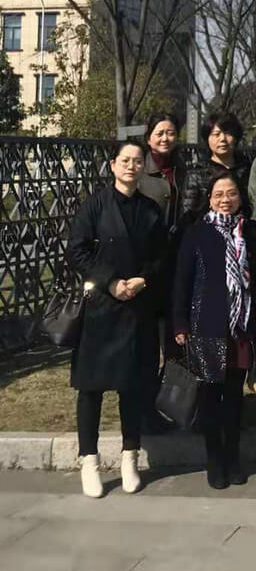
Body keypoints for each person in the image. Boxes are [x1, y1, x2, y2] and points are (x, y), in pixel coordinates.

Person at [66, 139, 168, 499]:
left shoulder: (150, 209)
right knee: (91, 388)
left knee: (132, 387)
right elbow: (76, 250)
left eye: (138, 161)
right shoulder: (94, 205)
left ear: (143, 167)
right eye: (125, 160)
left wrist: (143, 279)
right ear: (112, 165)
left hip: (137, 307)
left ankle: (130, 458)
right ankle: (89, 461)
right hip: (101, 308)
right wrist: (111, 282)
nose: (131, 166)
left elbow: (161, 255)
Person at [173, 174, 256, 489]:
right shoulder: (197, 233)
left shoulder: (250, 232)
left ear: (240, 197)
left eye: (231, 193)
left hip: (239, 327)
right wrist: (180, 323)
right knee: (210, 397)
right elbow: (182, 279)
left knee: (234, 398)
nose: (226, 199)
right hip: (206, 325)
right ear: (209, 199)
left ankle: (233, 458)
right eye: (219, 194)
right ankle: (214, 460)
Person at [138, 110, 188, 432]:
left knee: (173, 340)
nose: (165, 138)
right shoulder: (140, 169)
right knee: (146, 344)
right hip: (146, 266)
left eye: (170, 132)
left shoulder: (180, 168)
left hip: (174, 264)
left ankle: (169, 404)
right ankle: (145, 410)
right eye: (159, 132)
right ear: (148, 137)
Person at [182, 111, 251, 222]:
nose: (222, 139)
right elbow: (188, 214)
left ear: (236, 138)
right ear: (207, 138)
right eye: (216, 134)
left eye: (228, 133)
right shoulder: (197, 173)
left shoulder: (248, 170)